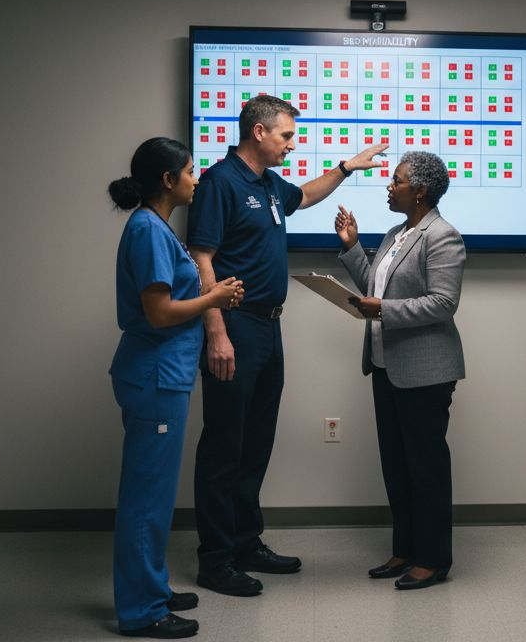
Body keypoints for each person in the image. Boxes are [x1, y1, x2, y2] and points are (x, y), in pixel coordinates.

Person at [186, 94, 388, 596]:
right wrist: (215, 332)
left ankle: (245, 542)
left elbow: (304, 195)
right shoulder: (219, 183)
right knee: (224, 446)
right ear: (258, 133)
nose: (291, 145)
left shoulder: (267, 184)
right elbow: (201, 260)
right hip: (233, 325)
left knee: (255, 442)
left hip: (268, 326)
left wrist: (345, 168)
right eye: (286, 136)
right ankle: (214, 559)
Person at [107, 137, 244, 639]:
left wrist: (213, 295)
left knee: (157, 495)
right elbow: (159, 312)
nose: (197, 177)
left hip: (164, 373)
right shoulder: (146, 229)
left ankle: (154, 588)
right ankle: (143, 611)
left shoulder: (157, 227)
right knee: (147, 498)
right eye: (190, 170)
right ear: (167, 180)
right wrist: (215, 296)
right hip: (155, 375)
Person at [333, 151, 466, 590]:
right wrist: (353, 247)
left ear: (421, 190)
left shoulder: (442, 236)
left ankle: (433, 559)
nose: (389, 187)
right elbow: (375, 286)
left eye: (396, 181)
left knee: (425, 468)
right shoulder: (396, 232)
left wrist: (382, 308)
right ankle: (405, 550)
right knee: (396, 466)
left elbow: (444, 303)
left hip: (425, 371)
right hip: (387, 366)